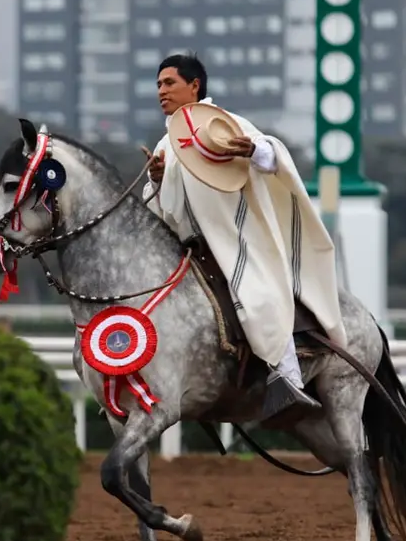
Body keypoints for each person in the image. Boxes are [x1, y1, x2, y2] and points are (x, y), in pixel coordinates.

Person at [140, 52, 347, 421]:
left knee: (260, 296)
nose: (161, 91)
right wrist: (156, 181)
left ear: (194, 85)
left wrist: (254, 150)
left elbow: (273, 155)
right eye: (158, 85)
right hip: (189, 249)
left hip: (239, 242)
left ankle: (288, 378)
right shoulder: (165, 144)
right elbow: (160, 209)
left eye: (169, 83)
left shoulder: (224, 123)